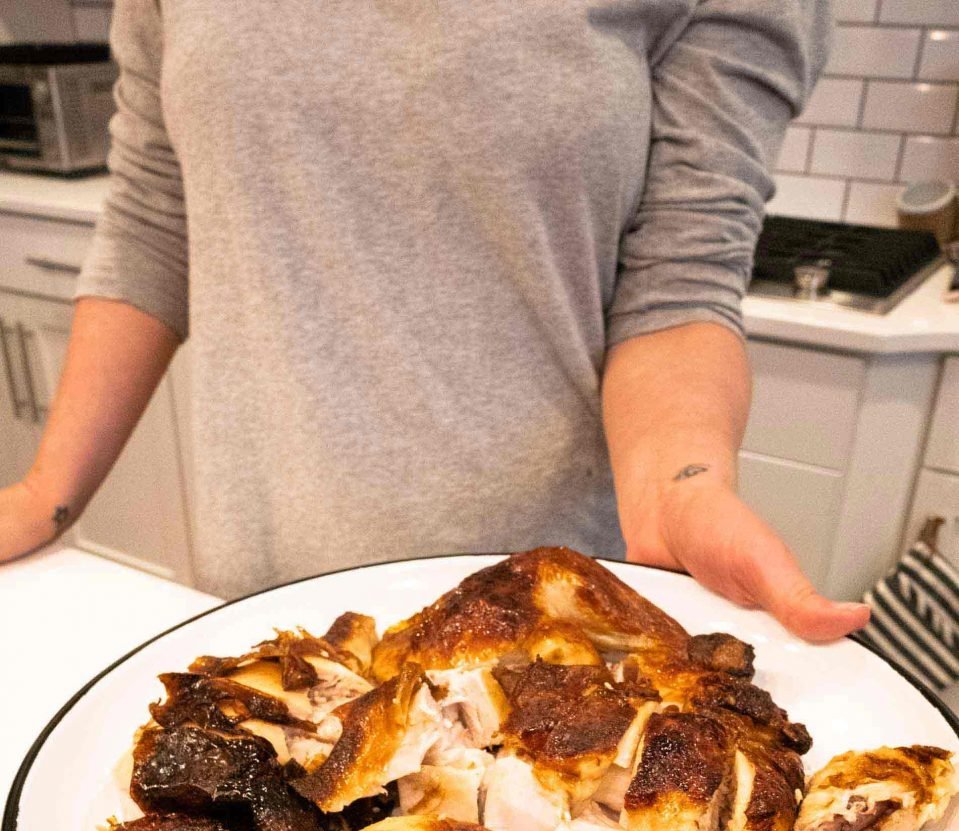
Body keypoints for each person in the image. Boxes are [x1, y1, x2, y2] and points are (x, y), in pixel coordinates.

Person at [0, 0, 869, 641]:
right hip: (258, 589)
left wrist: (681, 487)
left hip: (537, 616)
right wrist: (47, 494)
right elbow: (157, 212)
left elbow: (678, 274)